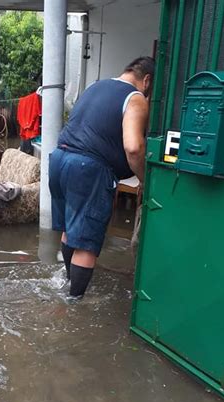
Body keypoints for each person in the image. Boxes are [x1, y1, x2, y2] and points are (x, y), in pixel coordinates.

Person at [49, 56, 155, 298]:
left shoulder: (96, 86)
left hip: (59, 159)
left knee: (69, 229)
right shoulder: (135, 98)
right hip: (88, 169)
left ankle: (68, 282)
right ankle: (74, 304)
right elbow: (134, 148)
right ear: (147, 80)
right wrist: (144, 180)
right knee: (86, 243)